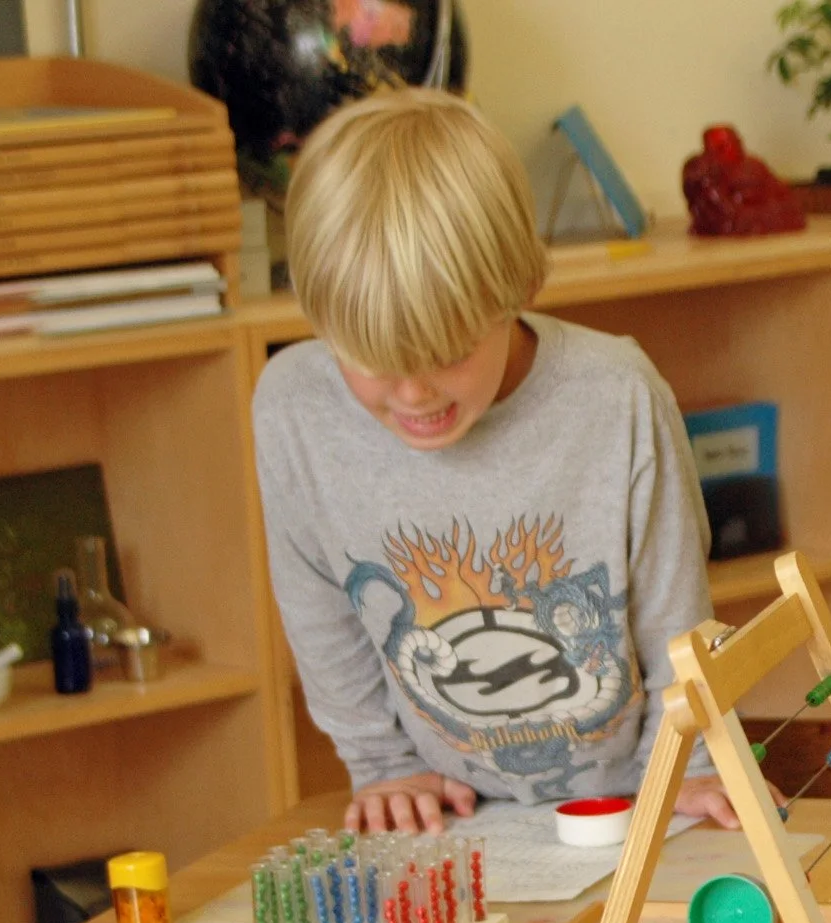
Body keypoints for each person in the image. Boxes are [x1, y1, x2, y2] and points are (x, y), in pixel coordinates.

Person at [253, 89, 737, 834]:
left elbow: (679, 619)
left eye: (448, 354)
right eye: (370, 361)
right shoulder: (292, 408)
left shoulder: (617, 397)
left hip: (641, 795)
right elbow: (319, 606)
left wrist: (691, 768)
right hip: (451, 814)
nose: (413, 393)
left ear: (519, 288)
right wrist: (382, 766)